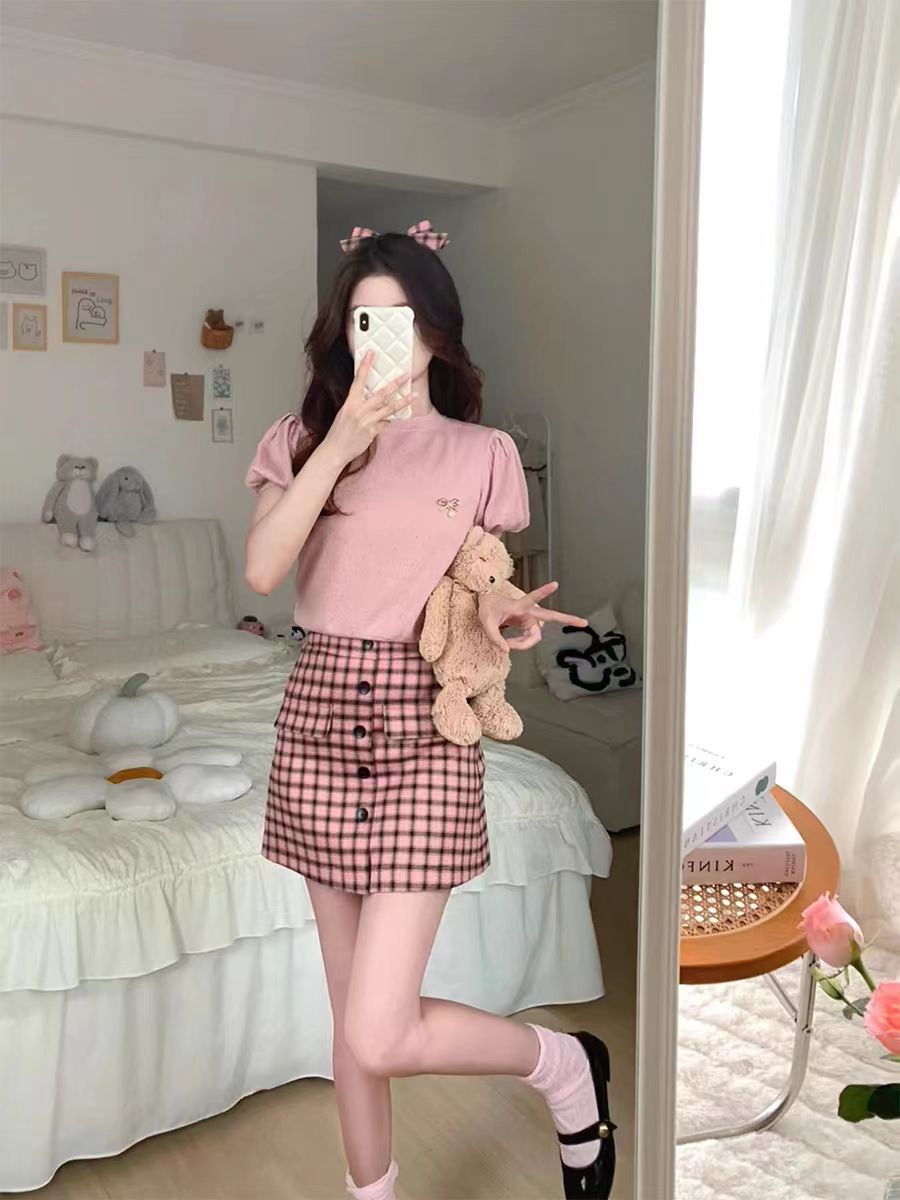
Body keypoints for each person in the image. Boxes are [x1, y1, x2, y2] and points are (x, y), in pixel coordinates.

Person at [243, 220, 616, 1200]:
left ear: (438, 331)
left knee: (380, 1028)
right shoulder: (298, 440)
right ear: (343, 332)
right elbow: (263, 568)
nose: (384, 338)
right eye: (365, 319)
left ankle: (562, 1065)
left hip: (425, 729)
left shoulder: (482, 452)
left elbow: (478, 575)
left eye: (403, 319)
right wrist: (341, 443)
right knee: (352, 1021)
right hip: (319, 720)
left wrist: (498, 608)